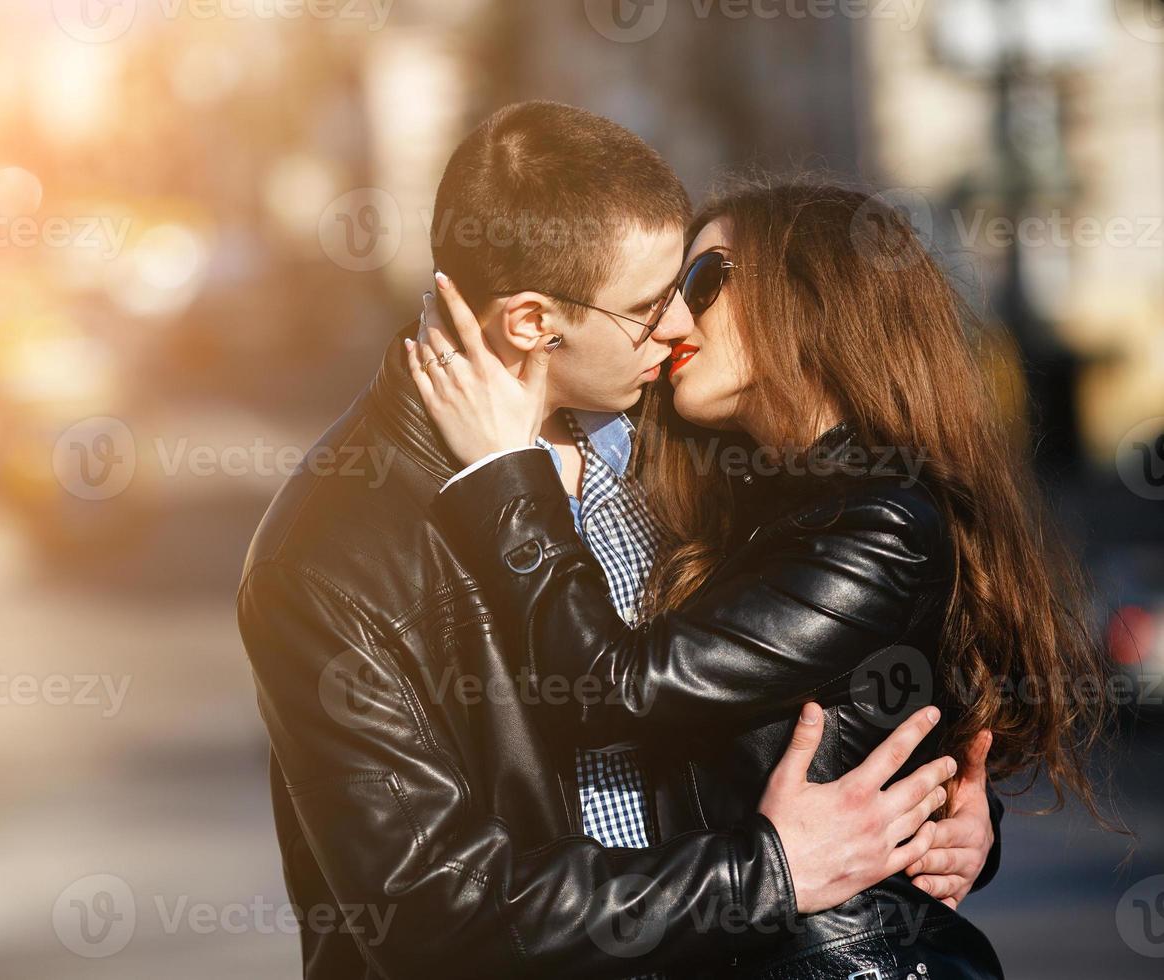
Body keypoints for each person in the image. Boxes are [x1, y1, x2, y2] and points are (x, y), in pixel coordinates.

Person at [239, 104, 998, 979]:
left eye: (688, 284)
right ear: (531, 322)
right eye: (646, 307)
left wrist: (946, 815)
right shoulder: (330, 558)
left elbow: (844, 667)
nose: (678, 326)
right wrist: (769, 873)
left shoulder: (682, 433)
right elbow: (432, 914)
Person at [408, 179, 1117, 978]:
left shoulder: (883, 522)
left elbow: (617, 688)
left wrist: (503, 476)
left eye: (704, 282)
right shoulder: (740, 499)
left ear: (812, 300)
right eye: (666, 293)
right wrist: (958, 816)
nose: (672, 319)